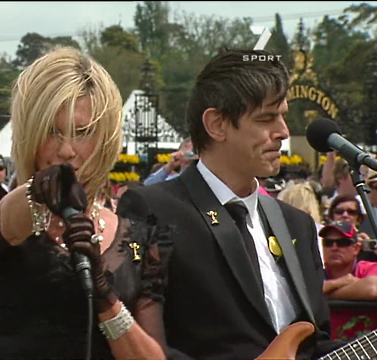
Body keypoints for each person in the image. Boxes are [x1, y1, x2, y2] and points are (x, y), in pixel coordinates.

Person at [117, 48, 342, 359]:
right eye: (266, 118)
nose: (283, 132)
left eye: (283, 116)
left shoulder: (298, 226)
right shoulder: (151, 210)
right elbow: (133, 340)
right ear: (217, 124)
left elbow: (315, 345)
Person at [0, 46, 171, 359]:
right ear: (30, 131)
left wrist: (105, 297)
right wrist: (39, 192)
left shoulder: (137, 237)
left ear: (105, 135)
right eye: (52, 132)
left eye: (82, 132)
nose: (68, 150)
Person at [320, 221, 377, 340]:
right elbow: (305, 293)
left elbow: (373, 290)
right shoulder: (316, 273)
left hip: (372, 350)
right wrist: (341, 282)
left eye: (342, 243)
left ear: (356, 248)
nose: (334, 248)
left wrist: (323, 294)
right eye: (328, 243)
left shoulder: (371, 268)